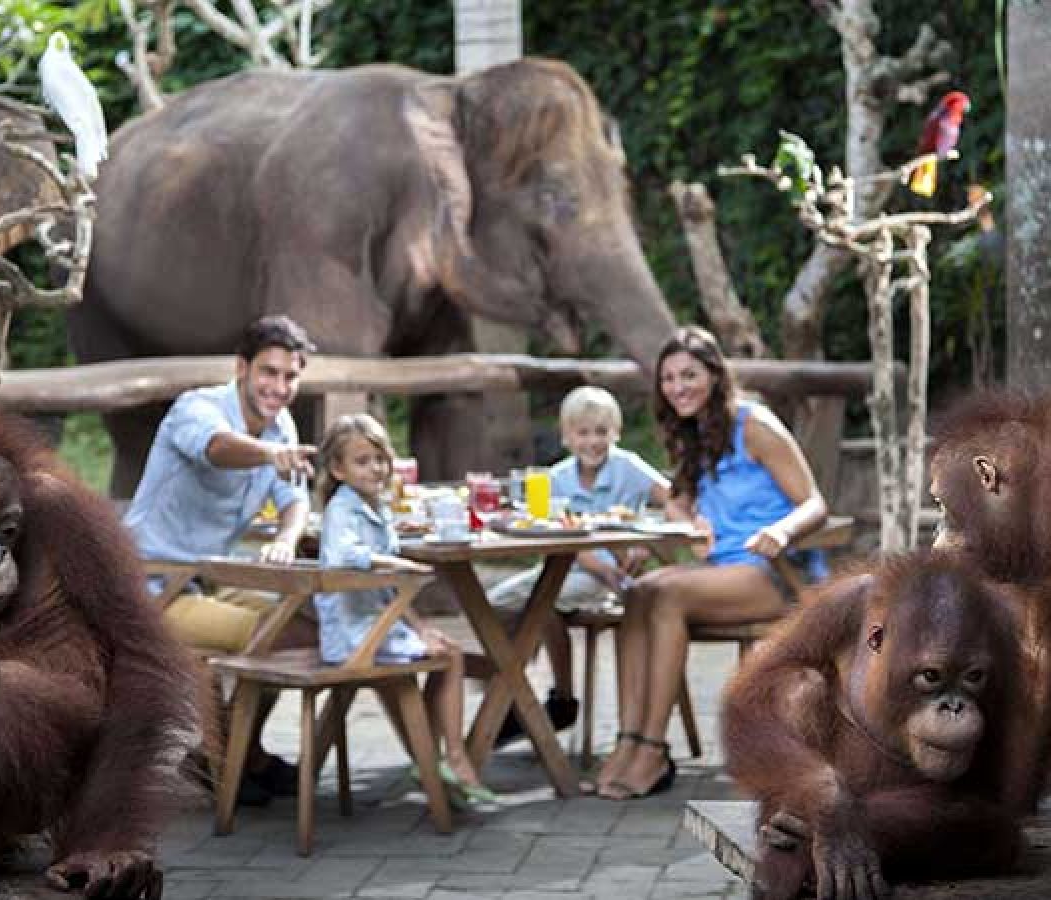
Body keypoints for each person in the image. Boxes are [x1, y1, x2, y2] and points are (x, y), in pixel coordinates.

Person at [588, 325, 828, 800]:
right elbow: (682, 507)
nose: (678, 387)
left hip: (775, 570)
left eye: (689, 375)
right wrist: (663, 530)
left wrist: (781, 531)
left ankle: (654, 748)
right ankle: (630, 741)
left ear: (715, 376)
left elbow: (815, 503)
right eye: (669, 378)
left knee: (667, 594)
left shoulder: (754, 424)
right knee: (638, 591)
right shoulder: (695, 433)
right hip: (722, 568)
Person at [124, 315, 319, 805]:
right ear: (242, 368)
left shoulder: (282, 426)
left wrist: (288, 538)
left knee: (304, 621)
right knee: (285, 637)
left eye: (290, 377)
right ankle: (238, 760)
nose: (278, 387)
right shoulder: (199, 408)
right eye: (269, 373)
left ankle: (231, 754)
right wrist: (270, 455)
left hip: (207, 579)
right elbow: (217, 450)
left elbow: (294, 498)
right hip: (152, 586)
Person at [315, 413, 496, 810]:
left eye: (380, 459)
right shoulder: (342, 509)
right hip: (353, 634)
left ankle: (433, 757)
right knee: (450, 657)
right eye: (362, 461)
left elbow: (393, 594)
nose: (375, 469)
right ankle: (452, 757)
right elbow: (343, 556)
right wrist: (394, 565)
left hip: (377, 623)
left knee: (443, 648)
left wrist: (420, 625)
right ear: (337, 469)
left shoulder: (376, 508)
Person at [488, 386, 670, 744]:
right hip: (568, 570)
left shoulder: (627, 468)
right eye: (583, 433)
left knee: (542, 601)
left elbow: (675, 498)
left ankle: (551, 699)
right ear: (567, 437)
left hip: (612, 577)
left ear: (614, 433)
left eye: (601, 432)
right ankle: (517, 694)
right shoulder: (556, 479)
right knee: (496, 603)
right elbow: (552, 532)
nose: (593, 442)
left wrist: (646, 540)